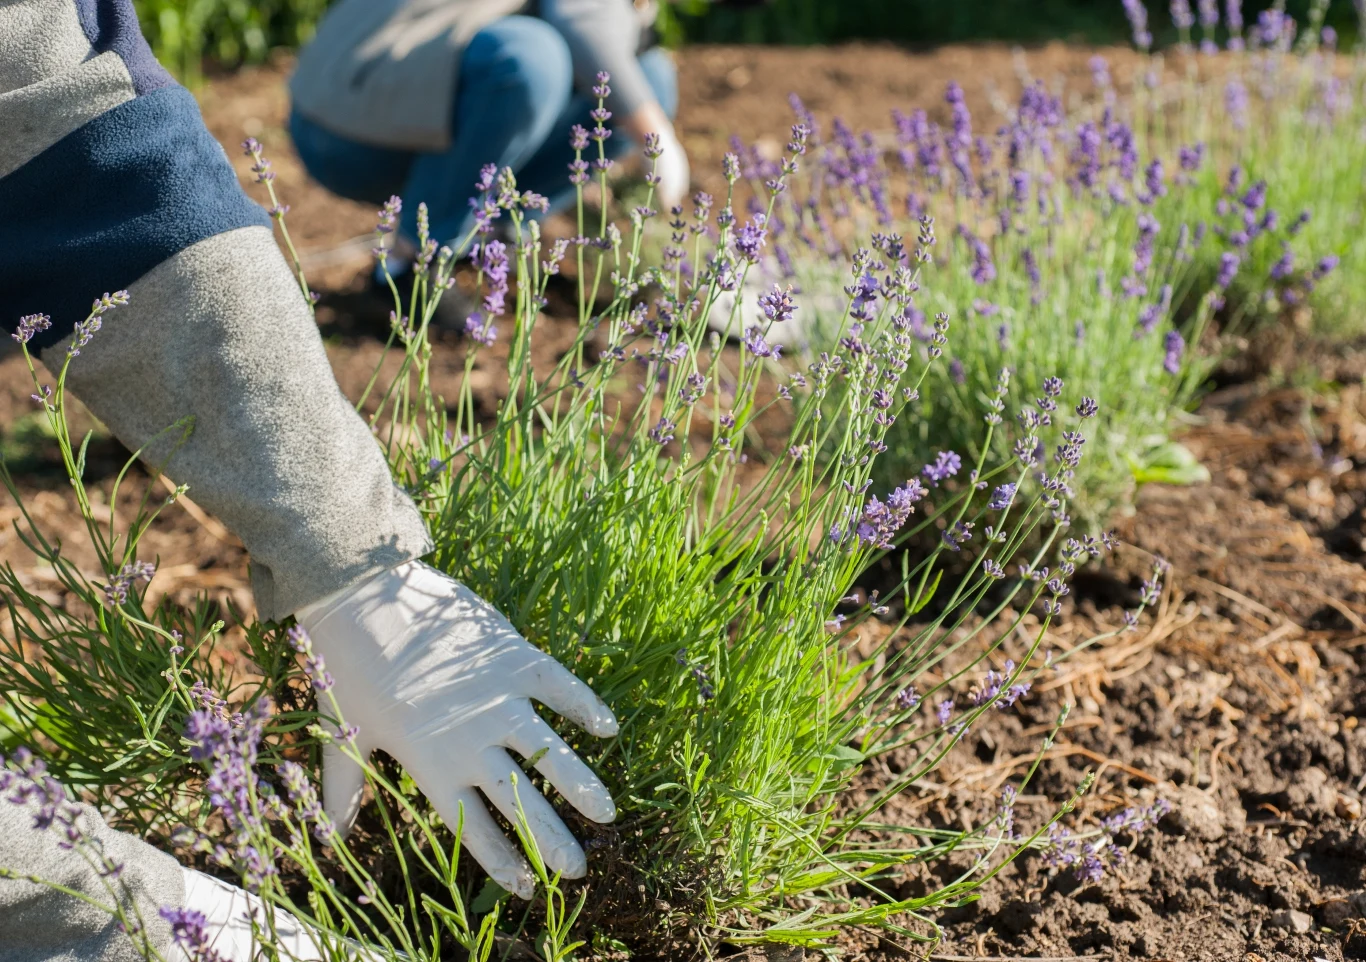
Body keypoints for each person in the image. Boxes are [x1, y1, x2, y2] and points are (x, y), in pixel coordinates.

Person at [0, 1, 652, 958]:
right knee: (528, 65)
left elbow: (75, 138)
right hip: (360, 105)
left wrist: (351, 557)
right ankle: (424, 256)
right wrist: (130, 921)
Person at [288, 0, 690, 282]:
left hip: (394, 109)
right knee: (532, 58)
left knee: (648, 77)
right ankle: (411, 264)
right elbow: (581, 18)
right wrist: (656, 136)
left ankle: (487, 243)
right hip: (343, 134)